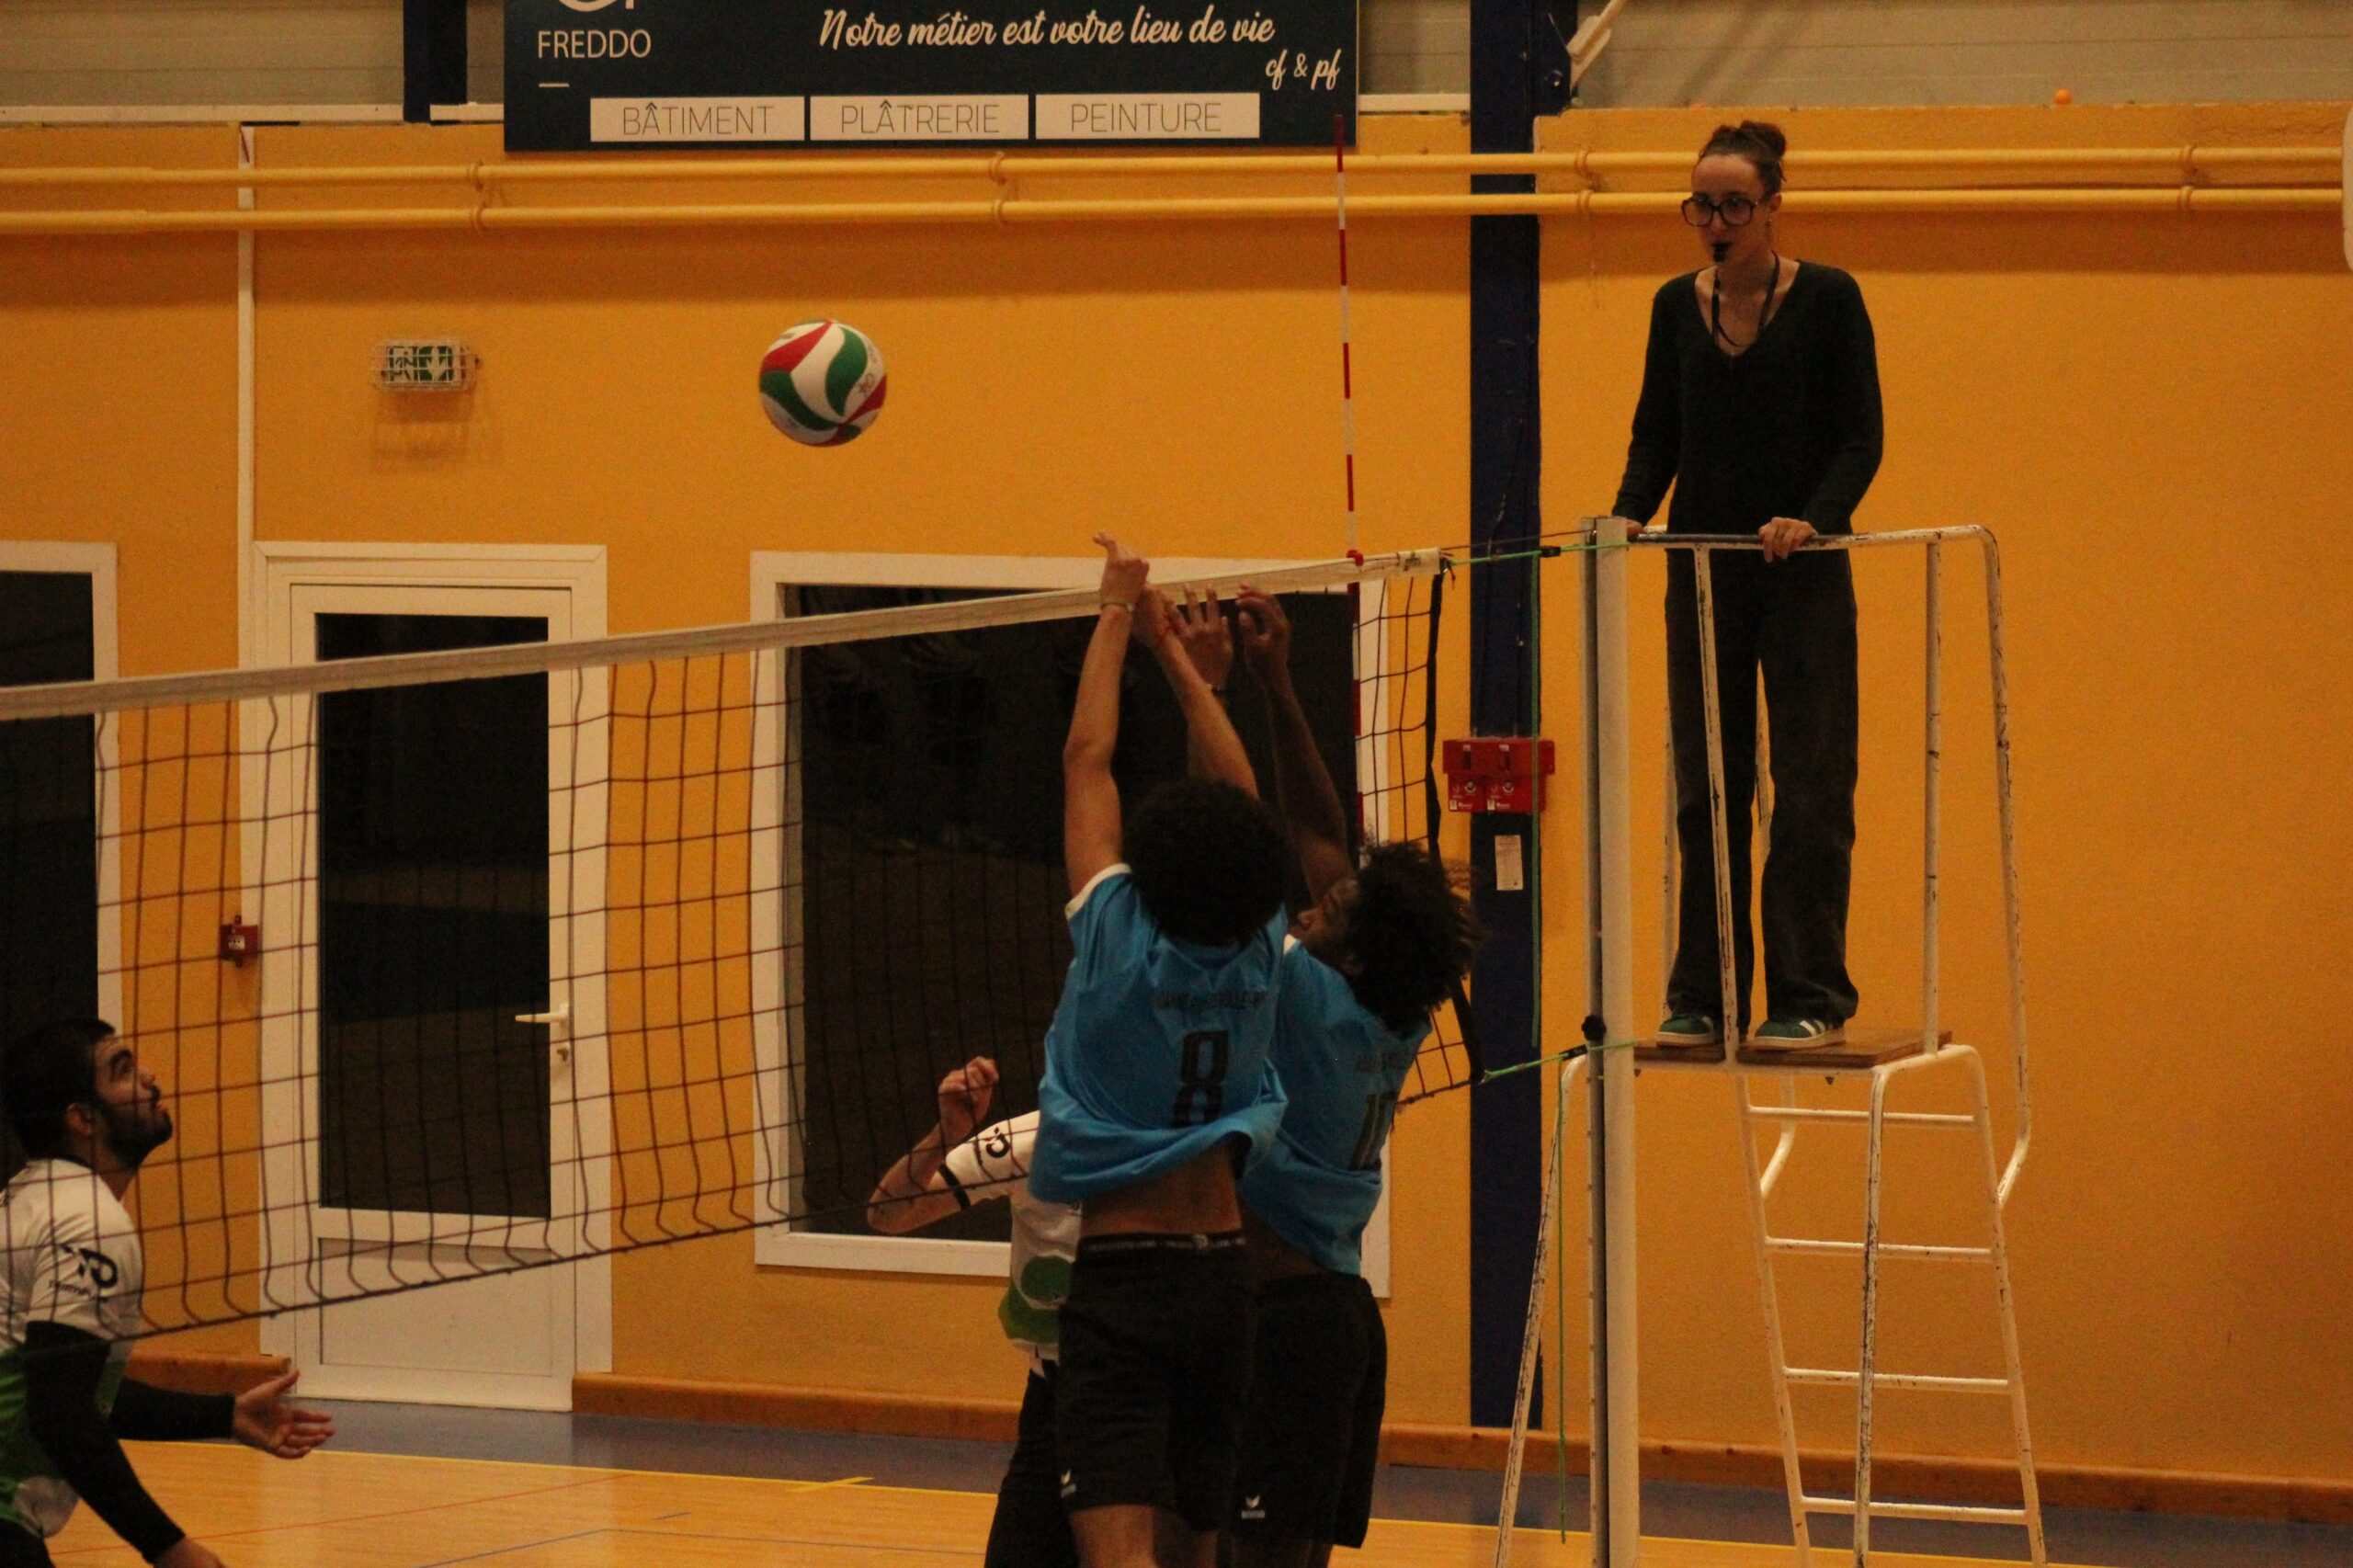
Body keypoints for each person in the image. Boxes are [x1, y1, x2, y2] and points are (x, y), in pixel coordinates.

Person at [1166, 588, 1478, 1567]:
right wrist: (1279, 684)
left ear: (1351, 948)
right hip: (1334, 1323)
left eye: (1329, 912)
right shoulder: (1395, 1006)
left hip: (1289, 1328)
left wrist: (1205, 687)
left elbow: (1223, 841)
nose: (1310, 908)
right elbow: (1316, 833)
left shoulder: (1306, 995)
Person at [1029, 535, 1292, 1568]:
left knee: (1119, 1555)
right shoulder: (1260, 943)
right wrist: (1183, 661)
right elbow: (1238, 797)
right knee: (1199, 1549)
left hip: (1125, 1277)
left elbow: (1084, 760)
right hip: (1225, 1273)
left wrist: (1114, 610)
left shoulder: (1114, 942)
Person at [1610, 119, 1885, 1050]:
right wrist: (1627, 512)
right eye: (1701, 207)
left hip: (1801, 573)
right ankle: (1706, 991)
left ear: (1772, 207)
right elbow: (1657, 431)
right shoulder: (1671, 306)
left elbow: (1861, 436)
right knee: (1707, 787)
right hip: (1702, 573)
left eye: (1734, 206)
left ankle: (1810, 994)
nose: (1717, 224)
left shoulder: (1831, 298)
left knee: (1809, 786)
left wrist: (1813, 517)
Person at [0, 1019, 334, 1568]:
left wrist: (224, 1415)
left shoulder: (30, 1196)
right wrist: (170, 1549)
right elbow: (61, 1413)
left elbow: (79, 1390)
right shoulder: (86, 1220)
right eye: (122, 1071)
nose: (149, 1077)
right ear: (83, 1119)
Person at [867, 1055, 1080, 1568]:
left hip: (1148, 1393)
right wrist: (948, 1133)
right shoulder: (1026, 1144)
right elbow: (887, 1215)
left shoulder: (1177, 1149)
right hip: (1053, 1395)